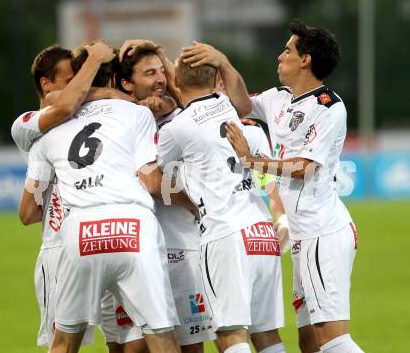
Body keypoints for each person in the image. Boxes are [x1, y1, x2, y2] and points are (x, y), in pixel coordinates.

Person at [185, 20, 363, 353]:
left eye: (287, 50)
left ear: (305, 59)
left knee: (332, 338)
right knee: (309, 340)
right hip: (301, 237)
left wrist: (251, 160)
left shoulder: (328, 106)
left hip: (322, 232)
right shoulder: (279, 98)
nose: (279, 57)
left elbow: (304, 168)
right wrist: (223, 63)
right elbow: (241, 103)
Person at [19, 42, 196, 353]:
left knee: (63, 342)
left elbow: (28, 208)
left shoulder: (45, 129)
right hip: (132, 227)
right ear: (116, 79)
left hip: (80, 233)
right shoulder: (136, 113)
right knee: (161, 335)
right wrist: (192, 205)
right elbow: (152, 181)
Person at [156, 54, 282, 353]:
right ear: (216, 81)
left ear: (175, 82)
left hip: (225, 233)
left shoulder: (174, 129)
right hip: (261, 231)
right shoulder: (233, 107)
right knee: (267, 335)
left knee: (229, 334)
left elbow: (161, 169)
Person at [12, 42, 119, 348]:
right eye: (70, 77)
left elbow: (29, 212)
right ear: (46, 84)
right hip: (60, 248)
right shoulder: (27, 124)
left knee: (126, 341)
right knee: (63, 344)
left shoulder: (90, 115)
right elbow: (64, 106)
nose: (80, 83)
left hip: (105, 236)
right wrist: (97, 59)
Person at [117, 41, 216, 353]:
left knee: (190, 347)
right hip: (133, 249)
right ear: (126, 84)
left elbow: (180, 87)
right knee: (130, 347)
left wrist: (157, 54)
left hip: (182, 248)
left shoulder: (184, 121)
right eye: (149, 73)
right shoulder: (119, 125)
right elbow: (152, 183)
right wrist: (192, 202)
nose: (160, 79)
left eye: (162, 71)